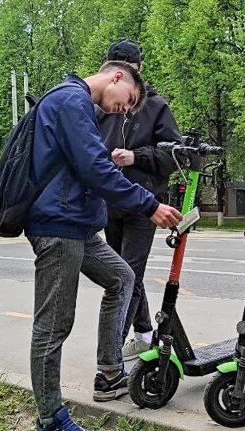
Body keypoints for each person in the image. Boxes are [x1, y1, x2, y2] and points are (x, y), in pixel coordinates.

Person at [26, 61, 182, 431]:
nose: (125, 110)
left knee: (123, 278)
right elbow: (95, 169)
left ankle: (110, 372)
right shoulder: (70, 102)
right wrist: (150, 205)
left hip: (78, 223)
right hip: (58, 226)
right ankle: (50, 420)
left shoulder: (83, 107)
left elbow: (88, 168)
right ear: (117, 77)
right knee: (54, 325)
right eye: (127, 100)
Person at [97, 39, 182, 361]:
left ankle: (113, 352)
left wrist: (136, 156)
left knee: (126, 273)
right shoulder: (102, 107)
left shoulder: (156, 106)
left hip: (144, 203)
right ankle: (144, 333)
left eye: (128, 67)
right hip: (110, 202)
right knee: (124, 272)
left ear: (139, 69)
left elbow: (176, 155)